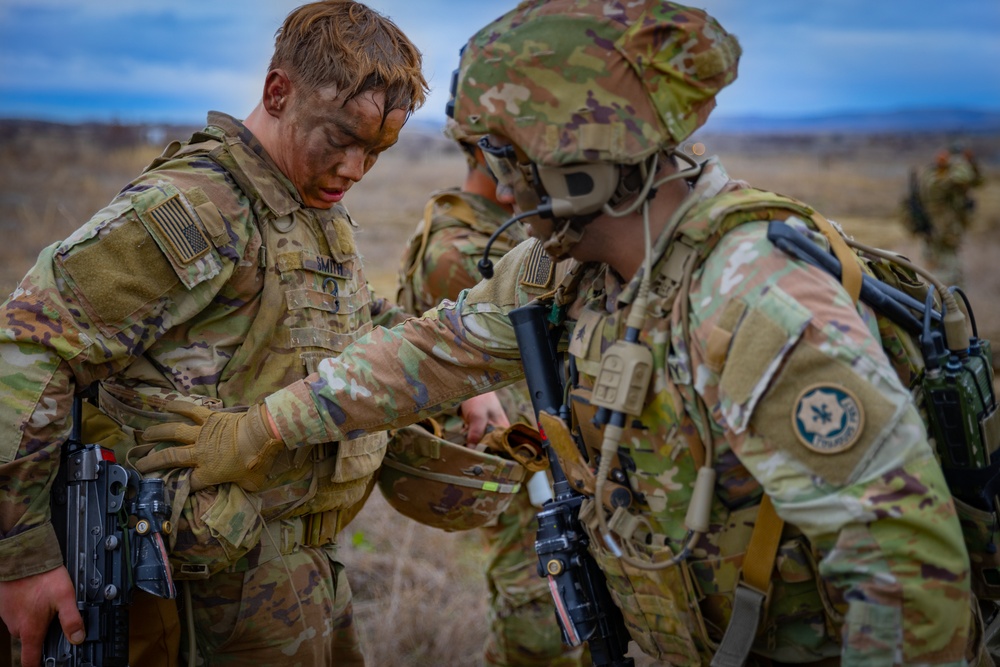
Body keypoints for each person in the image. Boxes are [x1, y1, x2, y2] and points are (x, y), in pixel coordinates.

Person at [135, 0, 982, 664]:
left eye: (504, 151)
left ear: (582, 157)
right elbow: (431, 351)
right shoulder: (567, 268)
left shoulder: (753, 297)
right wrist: (261, 428)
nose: (493, 181)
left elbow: (907, 575)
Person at [0, 3, 501, 666]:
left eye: (376, 151)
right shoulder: (199, 207)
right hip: (193, 597)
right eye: (340, 139)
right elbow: (29, 345)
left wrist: (451, 387)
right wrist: (23, 556)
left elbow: (351, 317)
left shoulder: (306, 201)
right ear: (277, 92)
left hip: (294, 573)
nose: (355, 169)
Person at [392, 117, 585, 667]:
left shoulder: (498, 228)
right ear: (484, 150)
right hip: (527, 482)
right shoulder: (462, 249)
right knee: (541, 636)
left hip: (549, 473)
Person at [906, 143, 984, 288]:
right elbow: (963, 177)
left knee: (950, 272)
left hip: (944, 232)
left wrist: (970, 162)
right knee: (946, 275)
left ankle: (948, 301)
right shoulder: (934, 179)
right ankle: (944, 304)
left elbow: (977, 181)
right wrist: (959, 162)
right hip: (940, 232)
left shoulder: (941, 175)